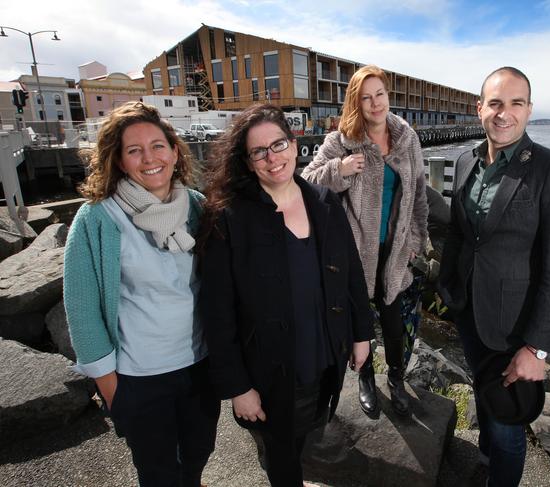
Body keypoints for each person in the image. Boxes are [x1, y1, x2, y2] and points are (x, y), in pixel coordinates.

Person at [198, 104, 373, 487]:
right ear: (247, 162)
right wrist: (238, 387)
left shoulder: (325, 202)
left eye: (278, 145)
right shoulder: (230, 218)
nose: (271, 158)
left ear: (295, 146)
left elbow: (352, 276)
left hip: (324, 355)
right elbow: (217, 311)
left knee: (307, 432)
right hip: (268, 369)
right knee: (280, 453)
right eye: (258, 152)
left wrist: (362, 335)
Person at [438, 67, 550, 486]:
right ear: (479, 108)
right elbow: (459, 234)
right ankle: (485, 463)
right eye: (496, 103)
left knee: (507, 426)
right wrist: (449, 288)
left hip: (515, 329)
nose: (505, 114)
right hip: (469, 312)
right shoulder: (465, 161)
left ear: (529, 110)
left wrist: (537, 349)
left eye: (516, 103)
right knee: (486, 403)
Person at [63, 101, 219, 487]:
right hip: (139, 378)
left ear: (174, 150)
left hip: (199, 367)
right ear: (118, 160)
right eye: (134, 150)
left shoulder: (195, 206)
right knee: (159, 474)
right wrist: (112, 389)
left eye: (158, 145)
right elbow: (81, 309)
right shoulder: (98, 217)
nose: (149, 158)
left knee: (198, 457)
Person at [302, 65, 428, 416]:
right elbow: (307, 182)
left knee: (392, 318)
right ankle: (366, 378)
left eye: (380, 95)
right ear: (356, 102)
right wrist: (339, 170)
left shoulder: (407, 138)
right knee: (359, 320)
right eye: (366, 97)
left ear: (388, 96)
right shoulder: (341, 141)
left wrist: (418, 237)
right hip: (354, 251)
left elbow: (418, 193)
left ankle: (397, 380)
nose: (375, 104)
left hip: (395, 248)